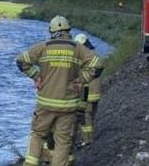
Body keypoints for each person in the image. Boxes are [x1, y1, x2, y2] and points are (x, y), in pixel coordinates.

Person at [16, 16, 103, 166]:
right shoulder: (78, 48)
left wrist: (36, 76)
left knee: (37, 135)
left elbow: (21, 61)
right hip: (68, 106)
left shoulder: (42, 47)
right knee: (63, 142)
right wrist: (82, 79)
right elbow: (98, 65)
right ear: (69, 31)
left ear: (51, 31)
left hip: (45, 105)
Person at [73, 33, 101, 146]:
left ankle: (87, 140)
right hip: (96, 91)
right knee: (91, 114)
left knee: (85, 115)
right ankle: (89, 137)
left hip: (88, 90)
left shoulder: (83, 56)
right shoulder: (94, 54)